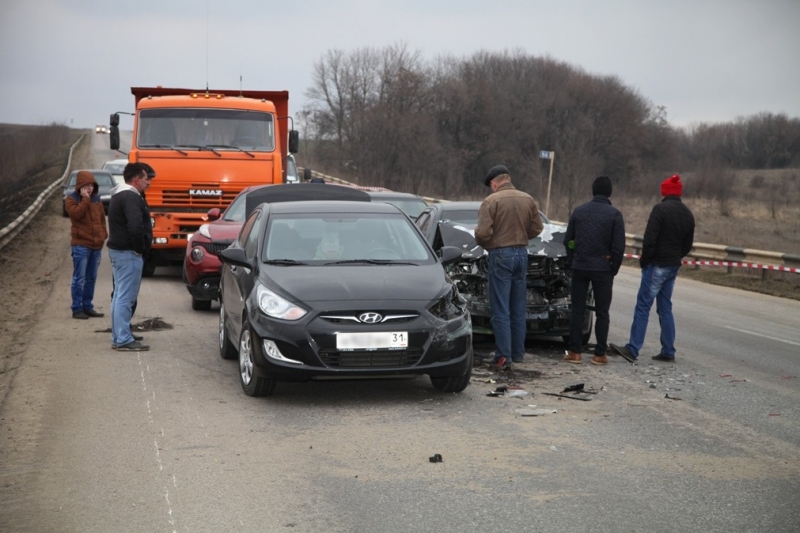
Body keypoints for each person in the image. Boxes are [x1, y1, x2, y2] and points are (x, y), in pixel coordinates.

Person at [611, 174, 695, 363]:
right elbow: (687, 245)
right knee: (665, 307)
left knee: (643, 306)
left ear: (665, 192)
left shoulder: (660, 210)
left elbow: (649, 240)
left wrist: (645, 261)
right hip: (673, 265)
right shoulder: (687, 214)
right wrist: (676, 256)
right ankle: (668, 350)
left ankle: (632, 349)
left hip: (657, 264)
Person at [475, 165, 543, 367]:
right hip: (522, 254)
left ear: (494, 183)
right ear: (509, 179)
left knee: (501, 309)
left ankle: (503, 356)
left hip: (500, 255)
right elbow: (537, 228)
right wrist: (521, 236)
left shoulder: (491, 201)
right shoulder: (528, 199)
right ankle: (518, 353)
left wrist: (482, 239)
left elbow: (484, 233)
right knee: (518, 307)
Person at [562, 176, 625, 365]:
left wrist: (574, 260)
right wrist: (613, 268)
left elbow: (568, 240)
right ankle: (599, 354)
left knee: (577, 310)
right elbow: (618, 247)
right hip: (603, 269)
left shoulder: (579, 211)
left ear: (592, 191)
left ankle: (575, 351)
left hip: (580, 266)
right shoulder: (614, 215)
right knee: (602, 312)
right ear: (610, 192)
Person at [106, 163, 153, 351]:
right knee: (125, 297)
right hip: (128, 253)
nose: (148, 182)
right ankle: (123, 339)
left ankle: (119, 335)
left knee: (119, 295)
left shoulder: (118, 194)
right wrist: (140, 248)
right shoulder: (131, 197)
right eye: (146, 178)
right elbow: (135, 226)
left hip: (118, 251)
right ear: (136, 179)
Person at [65, 170, 108, 319]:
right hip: (81, 244)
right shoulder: (71, 199)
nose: (89, 188)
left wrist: (104, 234)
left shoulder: (97, 199)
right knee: (79, 278)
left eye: (91, 185)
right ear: (80, 186)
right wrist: (85, 199)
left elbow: (102, 218)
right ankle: (77, 308)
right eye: (86, 185)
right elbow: (76, 214)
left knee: (91, 278)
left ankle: (87, 306)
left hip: (96, 245)